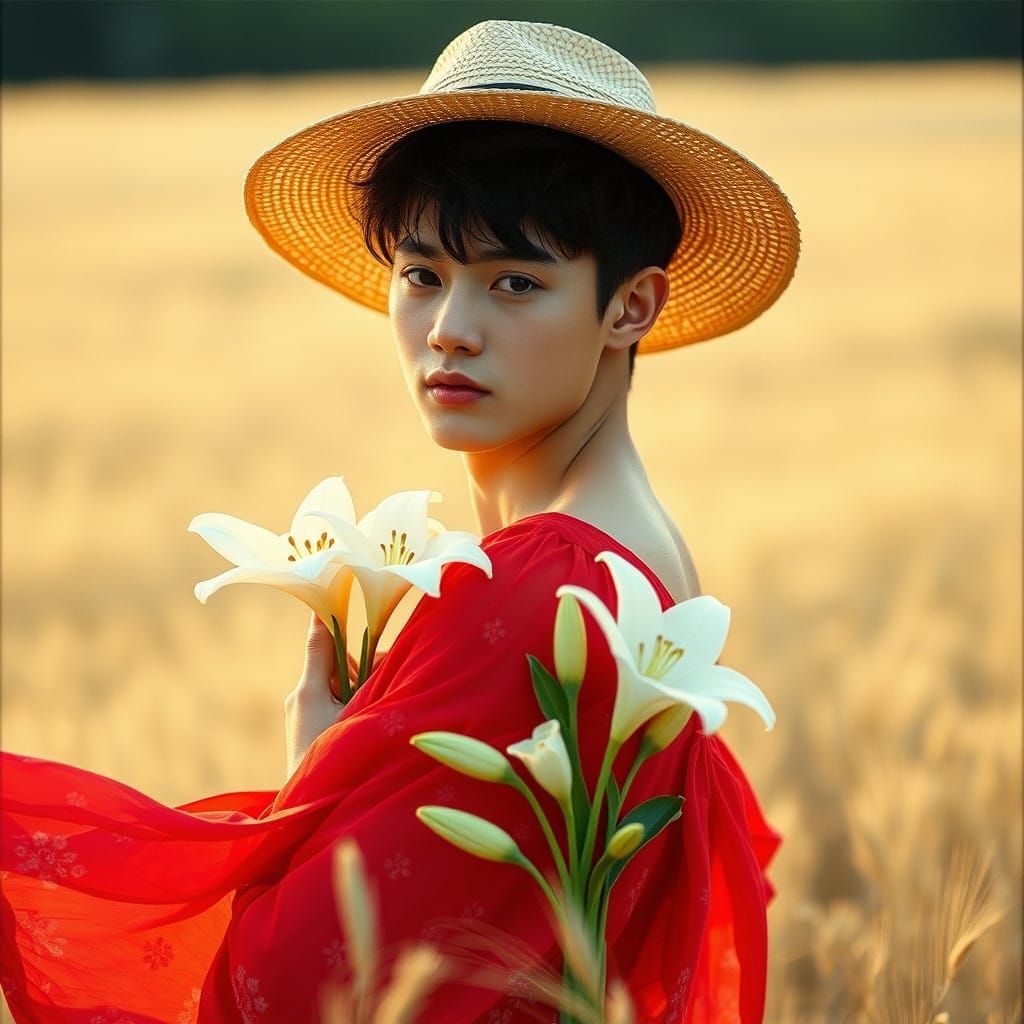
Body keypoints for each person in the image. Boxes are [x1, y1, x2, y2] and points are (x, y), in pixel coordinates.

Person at [1, 19, 798, 1024]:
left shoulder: (542, 582)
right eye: (422, 274)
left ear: (630, 307)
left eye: (515, 282)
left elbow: (300, 989)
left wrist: (308, 784)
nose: (450, 328)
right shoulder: (639, 563)